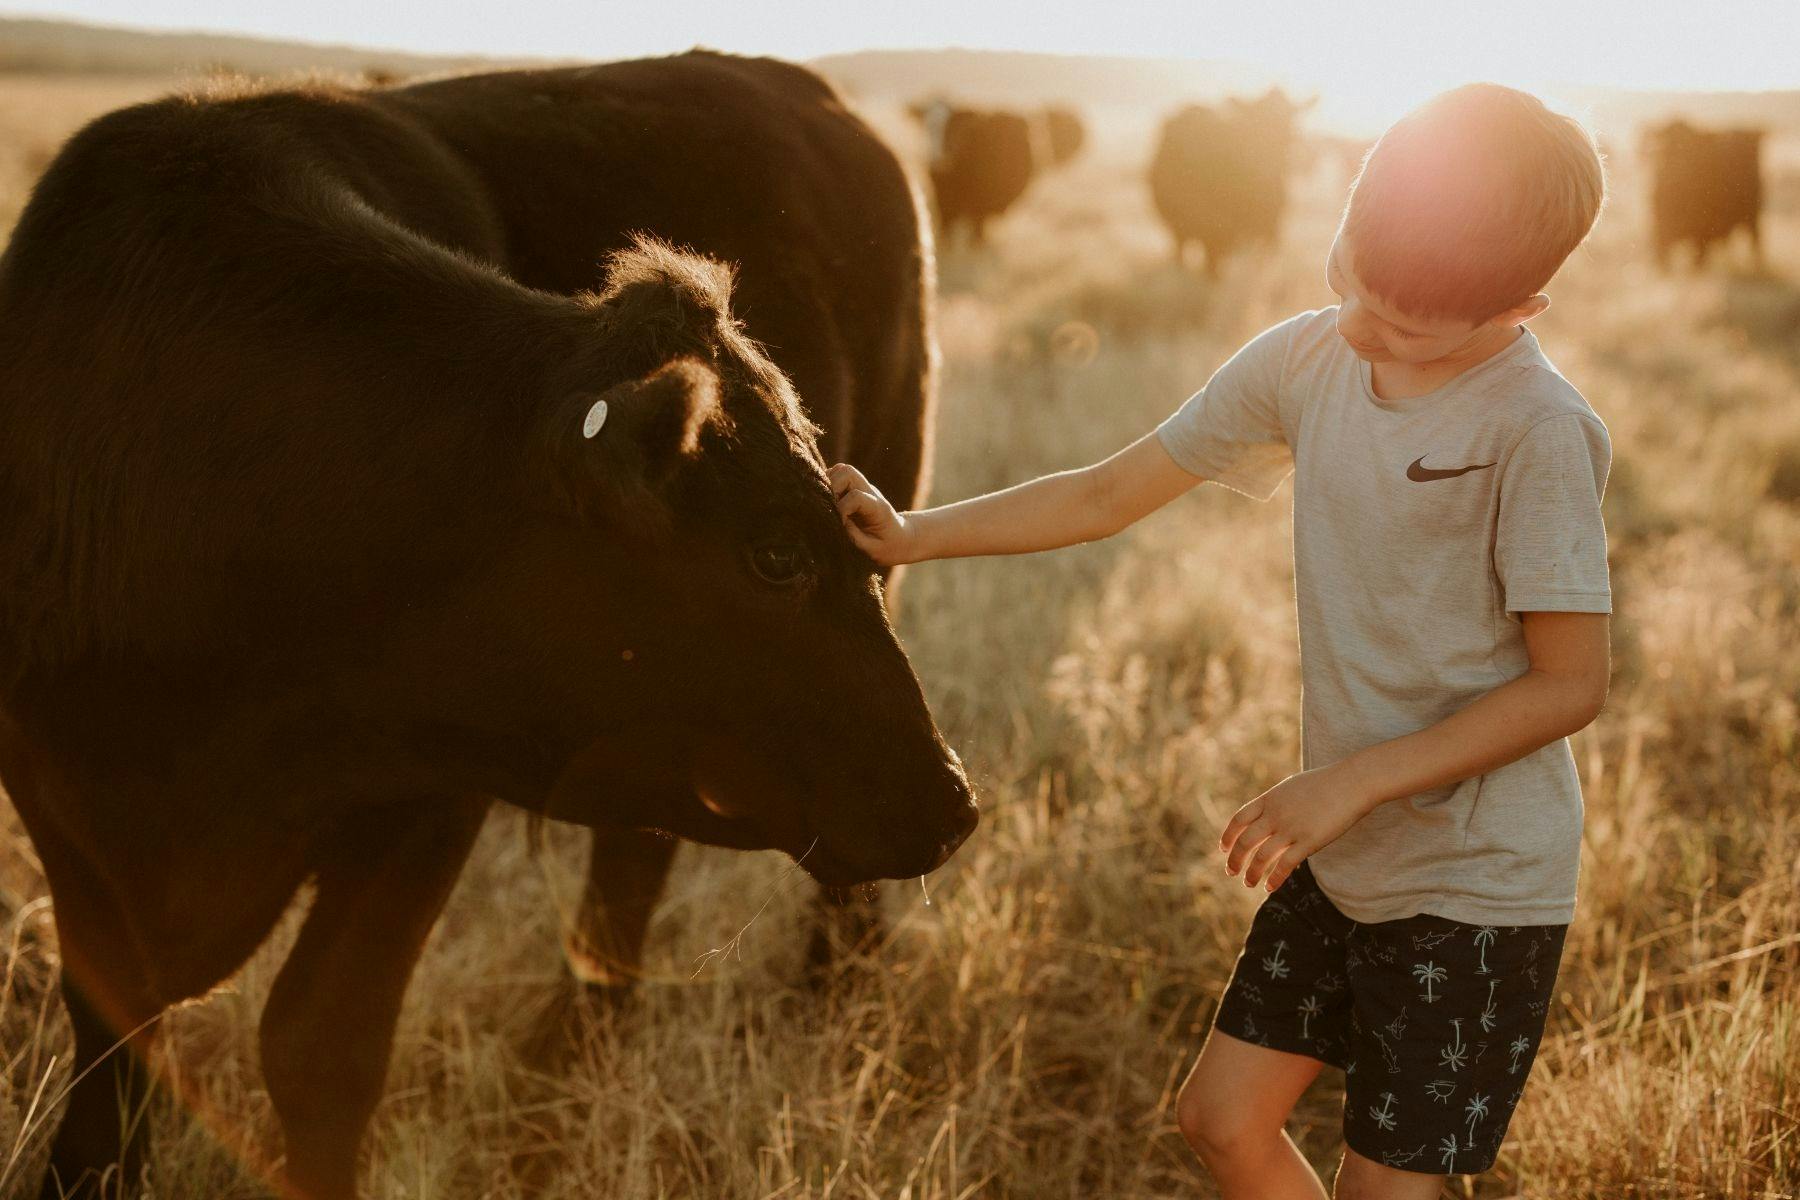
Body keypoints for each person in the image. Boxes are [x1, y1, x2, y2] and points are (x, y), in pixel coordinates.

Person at [829, 83, 1611, 1197]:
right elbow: (1107, 490)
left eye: (1403, 324)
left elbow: (1570, 686)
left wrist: (1349, 784)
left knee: (1385, 1187)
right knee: (1219, 1118)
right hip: (1344, 856)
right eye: (1352, 278)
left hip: (1477, 888)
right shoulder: (1305, 359)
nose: (1360, 326)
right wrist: (913, 537)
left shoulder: (1536, 430)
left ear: (1521, 307)